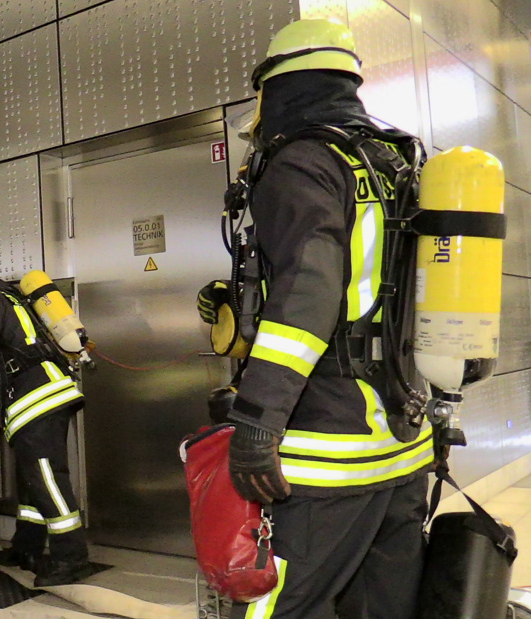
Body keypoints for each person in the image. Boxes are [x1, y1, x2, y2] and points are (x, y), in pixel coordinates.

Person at [202, 19, 435, 619]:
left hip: (328, 448)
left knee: (276, 607)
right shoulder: (393, 160)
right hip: (406, 440)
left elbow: (309, 293)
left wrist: (258, 420)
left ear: (275, 87)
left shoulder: (303, 160)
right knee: (384, 607)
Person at [0, 260, 89, 587]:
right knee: (31, 479)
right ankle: (27, 548)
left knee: (47, 478)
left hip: (37, 401)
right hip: (43, 396)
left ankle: (71, 558)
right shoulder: (9, 299)